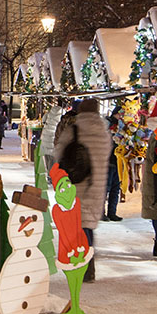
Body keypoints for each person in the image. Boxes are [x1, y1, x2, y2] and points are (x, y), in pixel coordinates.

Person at [53, 98, 111, 281]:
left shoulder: (74, 129)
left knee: (79, 224)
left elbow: (59, 152)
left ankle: (85, 265)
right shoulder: (104, 131)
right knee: (87, 224)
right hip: (96, 183)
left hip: (76, 183)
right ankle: (87, 264)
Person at [102, 115, 122, 221]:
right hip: (107, 162)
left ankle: (112, 212)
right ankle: (101, 213)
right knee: (105, 189)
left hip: (117, 162)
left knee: (115, 189)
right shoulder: (106, 125)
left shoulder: (123, 126)